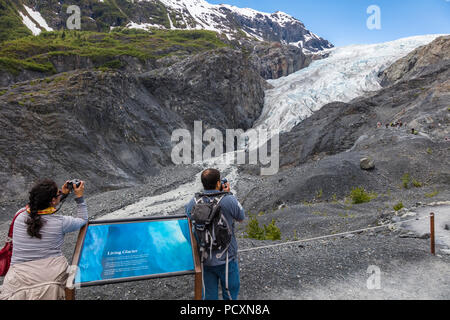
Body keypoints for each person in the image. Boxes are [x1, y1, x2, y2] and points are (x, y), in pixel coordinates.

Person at [0, 179, 88, 300]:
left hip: (17, 281)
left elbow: (41, 208)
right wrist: (79, 197)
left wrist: (62, 194)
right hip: (51, 279)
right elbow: (83, 219)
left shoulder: (20, 215)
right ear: (52, 200)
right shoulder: (61, 222)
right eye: (58, 194)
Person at [185, 169, 245, 300]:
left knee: (209, 297)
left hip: (204, 259)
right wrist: (228, 192)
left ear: (203, 183)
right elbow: (241, 217)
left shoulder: (193, 203)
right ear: (218, 183)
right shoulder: (229, 200)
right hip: (227, 258)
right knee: (229, 295)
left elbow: (188, 223)